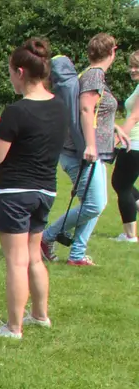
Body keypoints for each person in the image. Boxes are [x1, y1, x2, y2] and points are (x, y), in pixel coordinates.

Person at [0, 38, 63, 338]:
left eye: (11, 72)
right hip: (45, 191)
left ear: (21, 71)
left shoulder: (17, 111)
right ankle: (40, 315)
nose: (10, 77)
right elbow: (33, 132)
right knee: (34, 256)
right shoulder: (59, 106)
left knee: (16, 261)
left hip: (15, 192)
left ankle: (13, 327)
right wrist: (3, 127)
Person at [44, 33, 120, 267]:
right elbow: (86, 109)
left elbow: (95, 112)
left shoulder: (88, 74)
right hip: (84, 153)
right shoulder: (95, 75)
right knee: (94, 204)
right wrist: (90, 144)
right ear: (113, 51)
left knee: (94, 204)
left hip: (87, 151)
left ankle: (77, 254)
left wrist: (114, 127)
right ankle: (45, 238)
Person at [112, 49, 139, 244]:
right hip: (134, 143)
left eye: (136, 66)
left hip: (134, 143)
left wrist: (118, 138)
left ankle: (130, 235)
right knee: (122, 184)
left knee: (122, 185)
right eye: (131, 65)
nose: (132, 69)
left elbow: (135, 116)